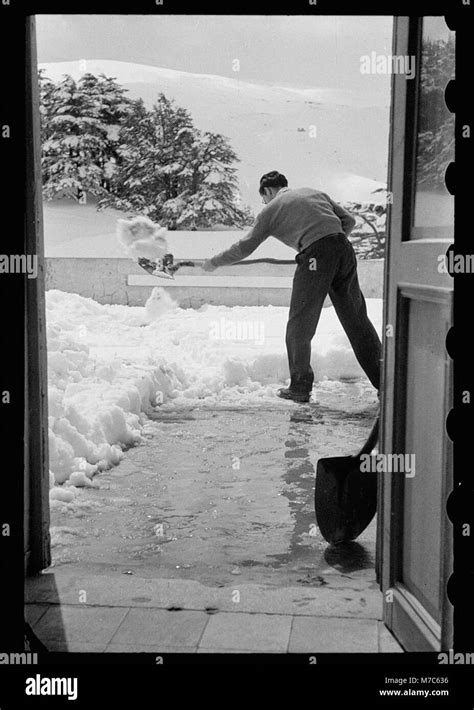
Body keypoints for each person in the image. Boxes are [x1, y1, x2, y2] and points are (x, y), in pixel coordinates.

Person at [202, 171, 382, 403]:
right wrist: (331, 243)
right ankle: (385, 382)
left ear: (267, 191)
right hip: (344, 251)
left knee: (300, 324)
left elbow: (245, 247)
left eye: (263, 198)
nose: (265, 202)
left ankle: (300, 387)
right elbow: (349, 221)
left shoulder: (271, 209)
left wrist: (214, 262)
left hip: (315, 257)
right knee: (357, 320)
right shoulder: (313, 192)